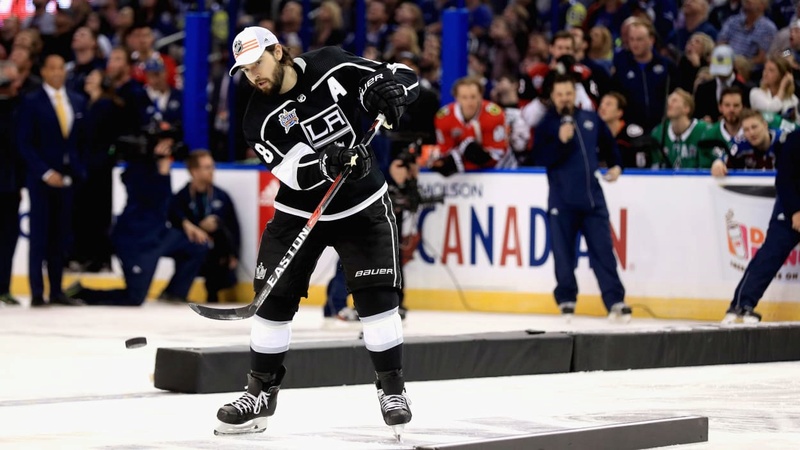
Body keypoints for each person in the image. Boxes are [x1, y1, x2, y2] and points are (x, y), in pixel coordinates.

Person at [213, 26, 418, 437]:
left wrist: (392, 93)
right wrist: (329, 161)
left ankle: (392, 390)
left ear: (278, 51)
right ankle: (259, 392)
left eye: (257, 63)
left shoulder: (330, 63)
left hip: (361, 203)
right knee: (272, 303)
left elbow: (401, 74)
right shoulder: (258, 117)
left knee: (377, 301)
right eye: (245, 69)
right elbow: (290, 170)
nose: (254, 75)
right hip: (298, 211)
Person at [531, 73, 629, 322]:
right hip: (562, 201)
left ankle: (615, 300)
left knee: (604, 253)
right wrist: (561, 142)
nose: (565, 98)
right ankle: (566, 299)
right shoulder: (545, 126)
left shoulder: (590, 118)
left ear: (574, 95)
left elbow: (610, 147)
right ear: (552, 96)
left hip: (593, 200)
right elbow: (541, 158)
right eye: (560, 94)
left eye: (568, 93)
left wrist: (617, 166)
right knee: (563, 255)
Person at [65, 136, 208, 306]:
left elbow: (166, 203)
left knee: (197, 244)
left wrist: (185, 223)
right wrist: (162, 170)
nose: (168, 150)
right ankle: (83, 292)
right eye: (165, 146)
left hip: (159, 234)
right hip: (136, 240)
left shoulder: (159, 166)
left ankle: (174, 293)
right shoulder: (138, 168)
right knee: (134, 298)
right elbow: (152, 198)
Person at [16, 54, 87, 307]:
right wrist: (45, 172)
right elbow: (24, 143)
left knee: (60, 236)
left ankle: (56, 290)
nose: (57, 72)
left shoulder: (77, 101)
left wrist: (78, 170)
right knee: (40, 236)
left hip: (69, 180)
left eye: (61, 68)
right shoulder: (32, 101)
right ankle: (37, 292)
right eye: (52, 68)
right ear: (44, 71)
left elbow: (80, 141)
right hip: (41, 180)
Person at [721, 128, 800, 323]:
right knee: (770, 254)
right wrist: (796, 211)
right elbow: (784, 180)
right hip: (791, 207)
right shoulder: (795, 139)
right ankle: (741, 304)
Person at [169, 150, 241, 303]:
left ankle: (213, 293)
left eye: (212, 167)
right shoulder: (180, 197)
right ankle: (175, 292)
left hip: (216, 256)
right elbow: (174, 223)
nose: (212, 171)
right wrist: (198, 227)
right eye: (207, 167)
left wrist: (234, 254)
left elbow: (234, 228)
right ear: (194, 171)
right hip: (192, 249)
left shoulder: (222, 196)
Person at [431, 76, 507, 176]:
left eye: (473, 97)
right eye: (464, 97)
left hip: (497, 170)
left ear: (481, 96)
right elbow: (445, 152)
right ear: (456, 98)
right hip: (462, 175)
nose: (469, 102)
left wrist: (473, 154)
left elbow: (498, 154)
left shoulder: (494, 115)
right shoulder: (444, 117)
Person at [0, 61, 23, 306]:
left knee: (7, 239)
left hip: (10, 185)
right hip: (9, 182)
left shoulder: (21, 107)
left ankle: (3, 285)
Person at [650, 88, 713, 169]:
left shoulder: (704, 131)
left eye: (674, 101)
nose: (669, 104)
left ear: (686, 108)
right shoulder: (658, 132)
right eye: (668, 100)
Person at [711, 108, 783, 177]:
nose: (751, 133)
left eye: (754, 127)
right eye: (746, 130)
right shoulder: (741, 142)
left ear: (765, 125)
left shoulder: (784, 140)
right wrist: (718, 163)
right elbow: (724, 157)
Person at [597, 91, 654, 169]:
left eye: (608, 104)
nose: (602, 107)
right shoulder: (595, 134)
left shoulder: (631, 133)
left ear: (619, 112)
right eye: (601, 103)